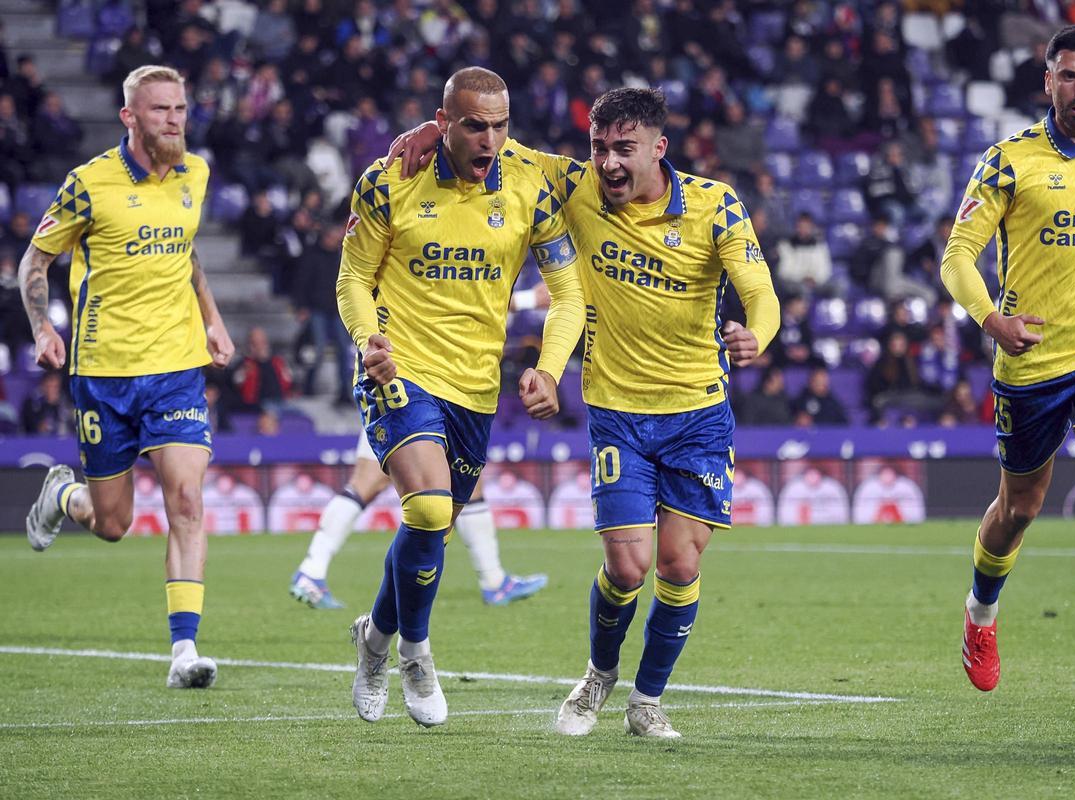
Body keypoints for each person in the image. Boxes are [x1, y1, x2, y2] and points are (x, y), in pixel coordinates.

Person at [388, 86, 780, 738]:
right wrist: (425, 133)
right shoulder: (574, 185)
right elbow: (489, 142)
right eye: (600, 148)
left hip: (698, 415)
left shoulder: (716, 206)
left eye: (624, 149)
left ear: (660, 148)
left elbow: (760, 293)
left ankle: (646, 700)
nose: (609, 163)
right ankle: (598, 676)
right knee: (628, 567)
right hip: (617, 412)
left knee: (680, 566)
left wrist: (755, 336)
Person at [339, 67, 584, 729]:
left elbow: (569, 295)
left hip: (478, 388)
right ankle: (416, 653)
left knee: (435, 527)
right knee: (427, 509)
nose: (490, 139)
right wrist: (369, 340)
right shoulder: (389, 180)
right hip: (400, 371)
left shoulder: (533, 183)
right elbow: (354, 279)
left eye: (501, 125)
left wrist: (550, 368)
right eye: (474, 124)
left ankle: (375, 639)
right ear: (443, 122)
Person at [940, 26, 1075, 716]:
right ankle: (981, 614)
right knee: (1019, 509)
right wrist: (991, 321)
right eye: (1067, 76)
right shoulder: (1009, 164)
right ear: (1047, 82)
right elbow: (956, 256)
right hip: (1033, 356)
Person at [19, 65, 235, 689]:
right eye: (162, 110)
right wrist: (42, 327)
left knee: (186, 501)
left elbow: (185, 253)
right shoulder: (89, 184)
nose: (175, 119)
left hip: (176, 368)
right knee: (114, 524)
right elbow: (36, 261)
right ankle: (63, 495)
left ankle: (184, 650)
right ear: (130, 118)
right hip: (103, 374)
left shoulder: (196, 173)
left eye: (181, 108)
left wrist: (213, 321)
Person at [290, 429, 548, 609]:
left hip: (390, 389)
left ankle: (312, 570)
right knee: (464, 474)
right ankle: (494, 581)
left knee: (366, 481)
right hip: (417, 391)